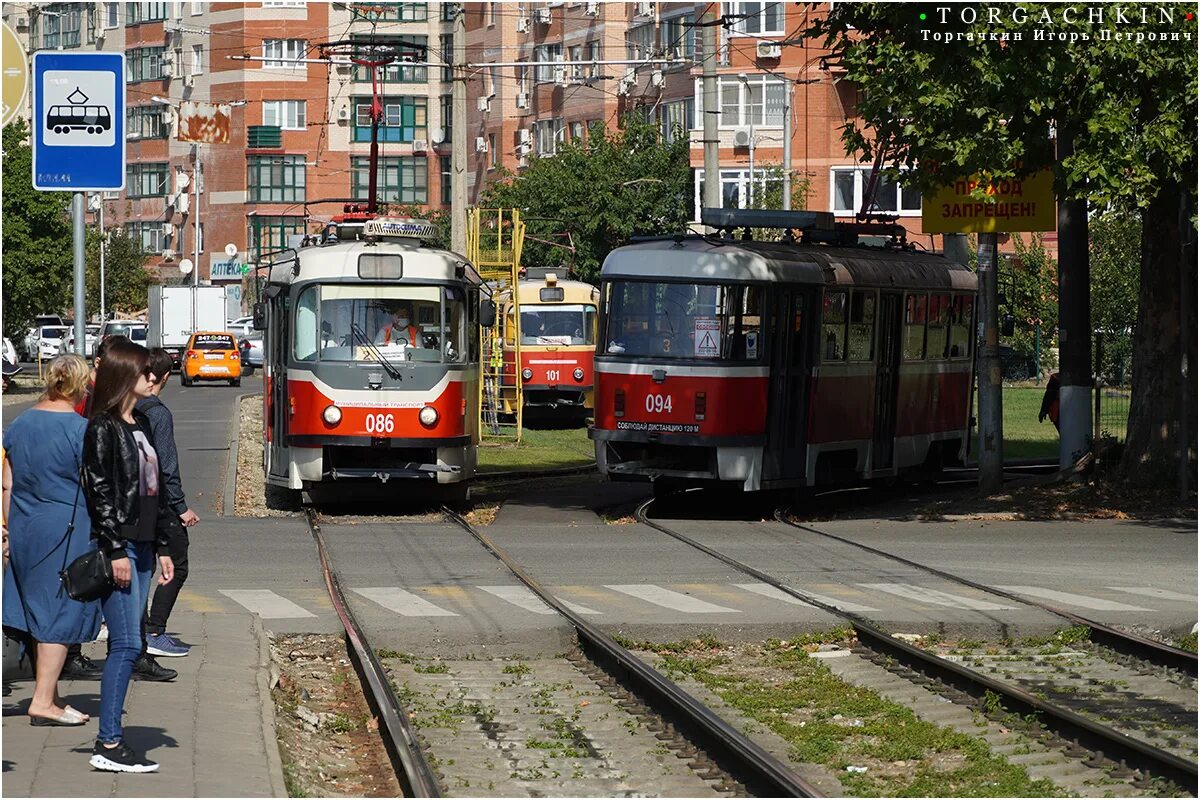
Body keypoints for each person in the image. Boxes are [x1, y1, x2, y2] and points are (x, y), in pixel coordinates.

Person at [83, 338, 178, 773]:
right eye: (144, 372)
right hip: (119, 548)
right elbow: (99, 494)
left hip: (141, 547)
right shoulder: (103, 427)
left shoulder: (138, 422)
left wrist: (160, 546)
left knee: (131, 642)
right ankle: (109, 742)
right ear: (125, 376)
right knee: (124, 644)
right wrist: (114, 547)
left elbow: (150, 491)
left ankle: (111, 739)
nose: (153, 378)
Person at [2, 355, 101, 725]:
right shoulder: (79, 430)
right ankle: (42, 701)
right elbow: (92, 486)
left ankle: (52, 696)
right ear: (79, 387)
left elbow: (7, 483)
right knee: (60, 613)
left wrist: (9, 528)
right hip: (66, 529)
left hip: (26, 526)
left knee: (36, 612)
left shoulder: (20, 424)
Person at [136, 348, 198, 658]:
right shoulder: (158, 413)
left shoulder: (128, 407)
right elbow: (166, 464)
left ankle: (141, 629)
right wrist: (181, 506)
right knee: (177, 564)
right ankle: (154, 631)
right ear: (166, 376)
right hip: (160, 503)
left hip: (134, 501)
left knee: (142, 568)